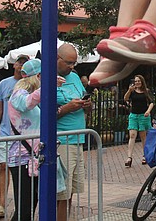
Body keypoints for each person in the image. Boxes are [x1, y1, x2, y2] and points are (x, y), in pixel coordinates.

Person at [0, 54, 30, 220]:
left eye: (25, 63)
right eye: (19, 62)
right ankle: (2, 203)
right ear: (14, 65)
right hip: (6, 133)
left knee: (21, 171)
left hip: (23, 135)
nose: (21, 66)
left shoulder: (30, 85)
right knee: (4, 166)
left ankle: (21, 207)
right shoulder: (5, 84)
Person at [55, 44, 92, 221]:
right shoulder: (46, 79)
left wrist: (87, 105)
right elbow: (43, 114)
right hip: (62, 141)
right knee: (61, 191)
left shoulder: (75, 77)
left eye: (74, 63)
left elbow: (85, 100)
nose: (71, 66)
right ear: (57, 59)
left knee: (70, 191)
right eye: (69, 62)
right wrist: (67, 108)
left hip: (78, 140)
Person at [7, 59, 43, 221]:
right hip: (21, 158)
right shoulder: (18, 95)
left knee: (29, 206)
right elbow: (25, 104)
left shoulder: (31, 96)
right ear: (38, 76)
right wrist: (47, 88)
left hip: (32, 158)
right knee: (24, 210)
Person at [123, 75, 154, 167]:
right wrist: (129, 90)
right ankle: (129, 157)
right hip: (134, 115)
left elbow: (152, 102)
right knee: (132, 135)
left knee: (143, 136)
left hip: (143, 115)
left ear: (142, 82)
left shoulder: (146, 91)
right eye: (136, 81)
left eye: (139, 81)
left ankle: (145, 155)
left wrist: (148, 111)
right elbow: (125, 98)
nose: (137, 83)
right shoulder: (132, 91)